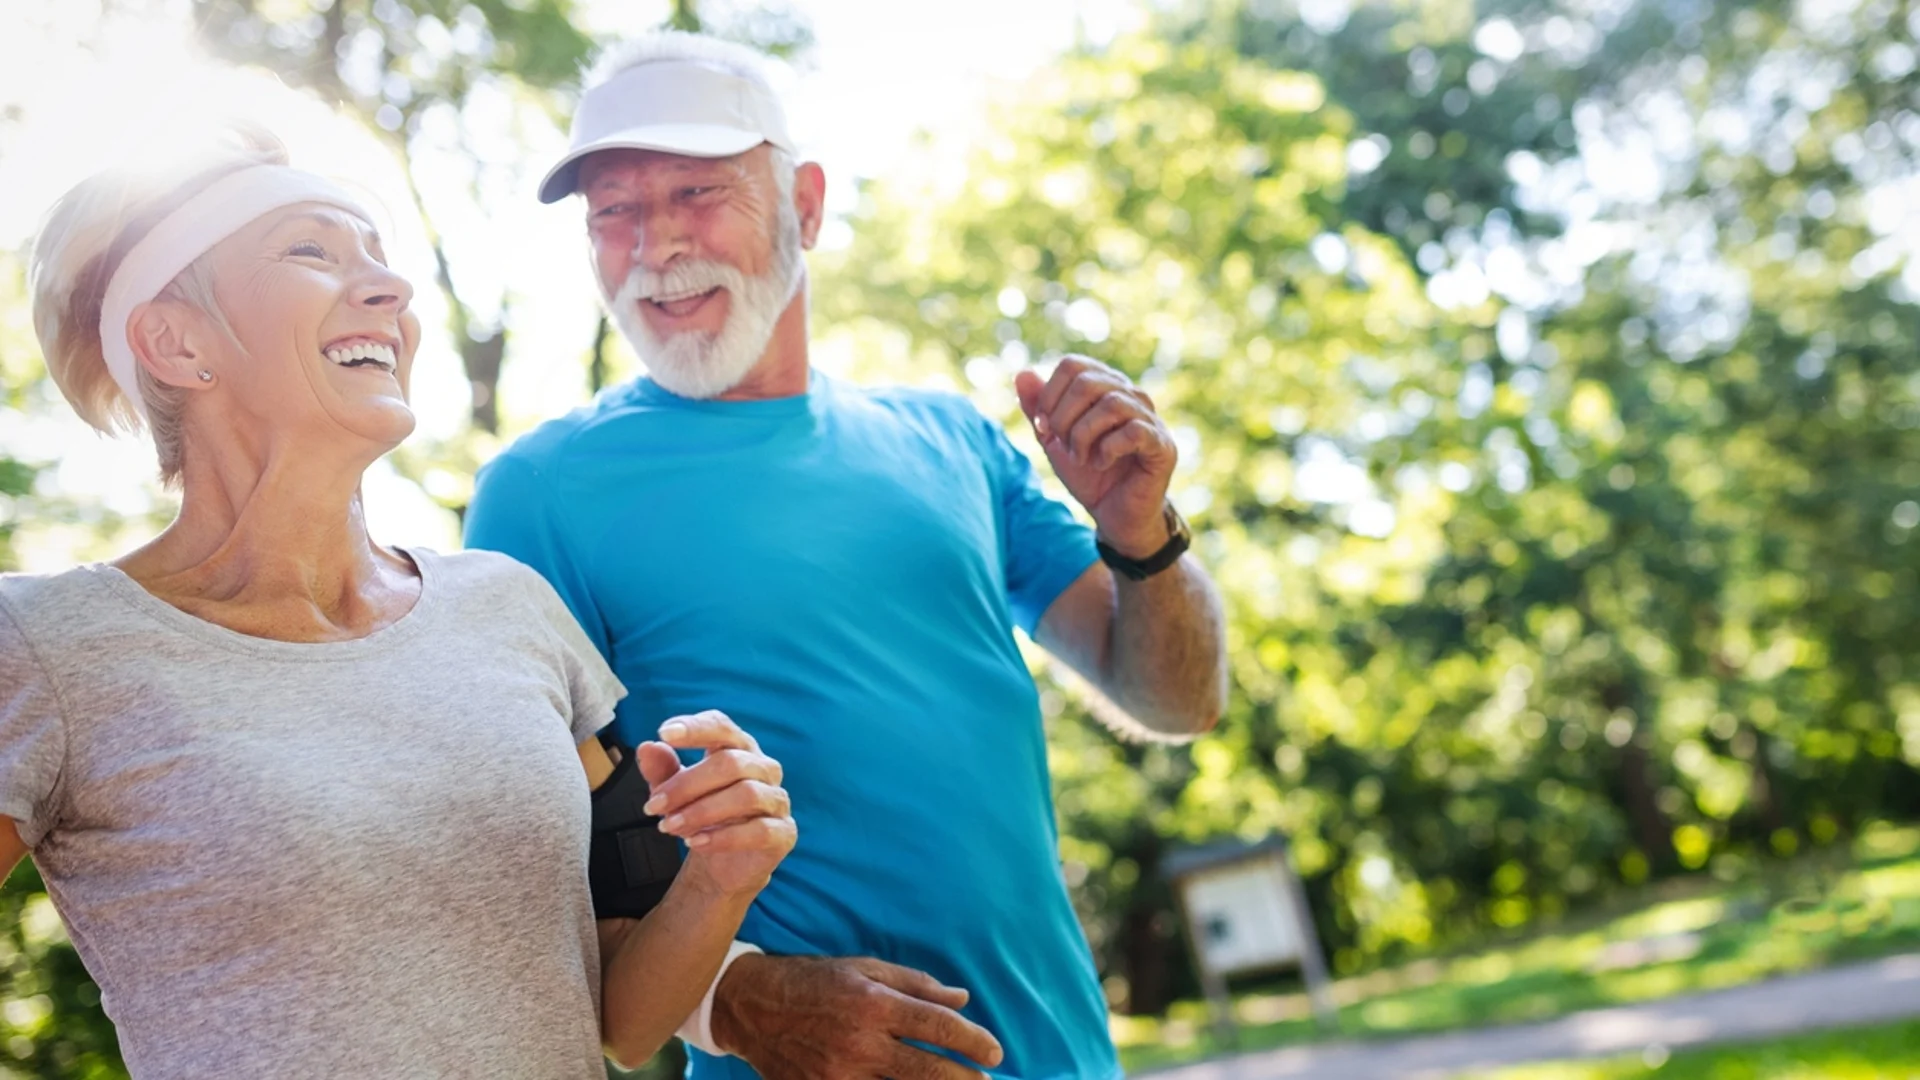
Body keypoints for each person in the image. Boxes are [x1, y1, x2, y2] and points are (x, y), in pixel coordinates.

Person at [465, 31, 1228, 1080]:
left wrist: (1142, 537)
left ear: (806, 206)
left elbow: (1178, 700)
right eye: (615, 212)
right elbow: (536, 890)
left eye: (697, 193)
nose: (653, 244)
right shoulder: (541, 493)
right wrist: (735, 1002)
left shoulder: (951, 439)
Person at [1, 125, 796, 1078]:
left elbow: (620, 1020)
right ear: (177, 341)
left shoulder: (511, 609)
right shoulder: (50, 647)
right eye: (310, 251)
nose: (392, 290)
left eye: (379, 257)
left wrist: (717, 880)